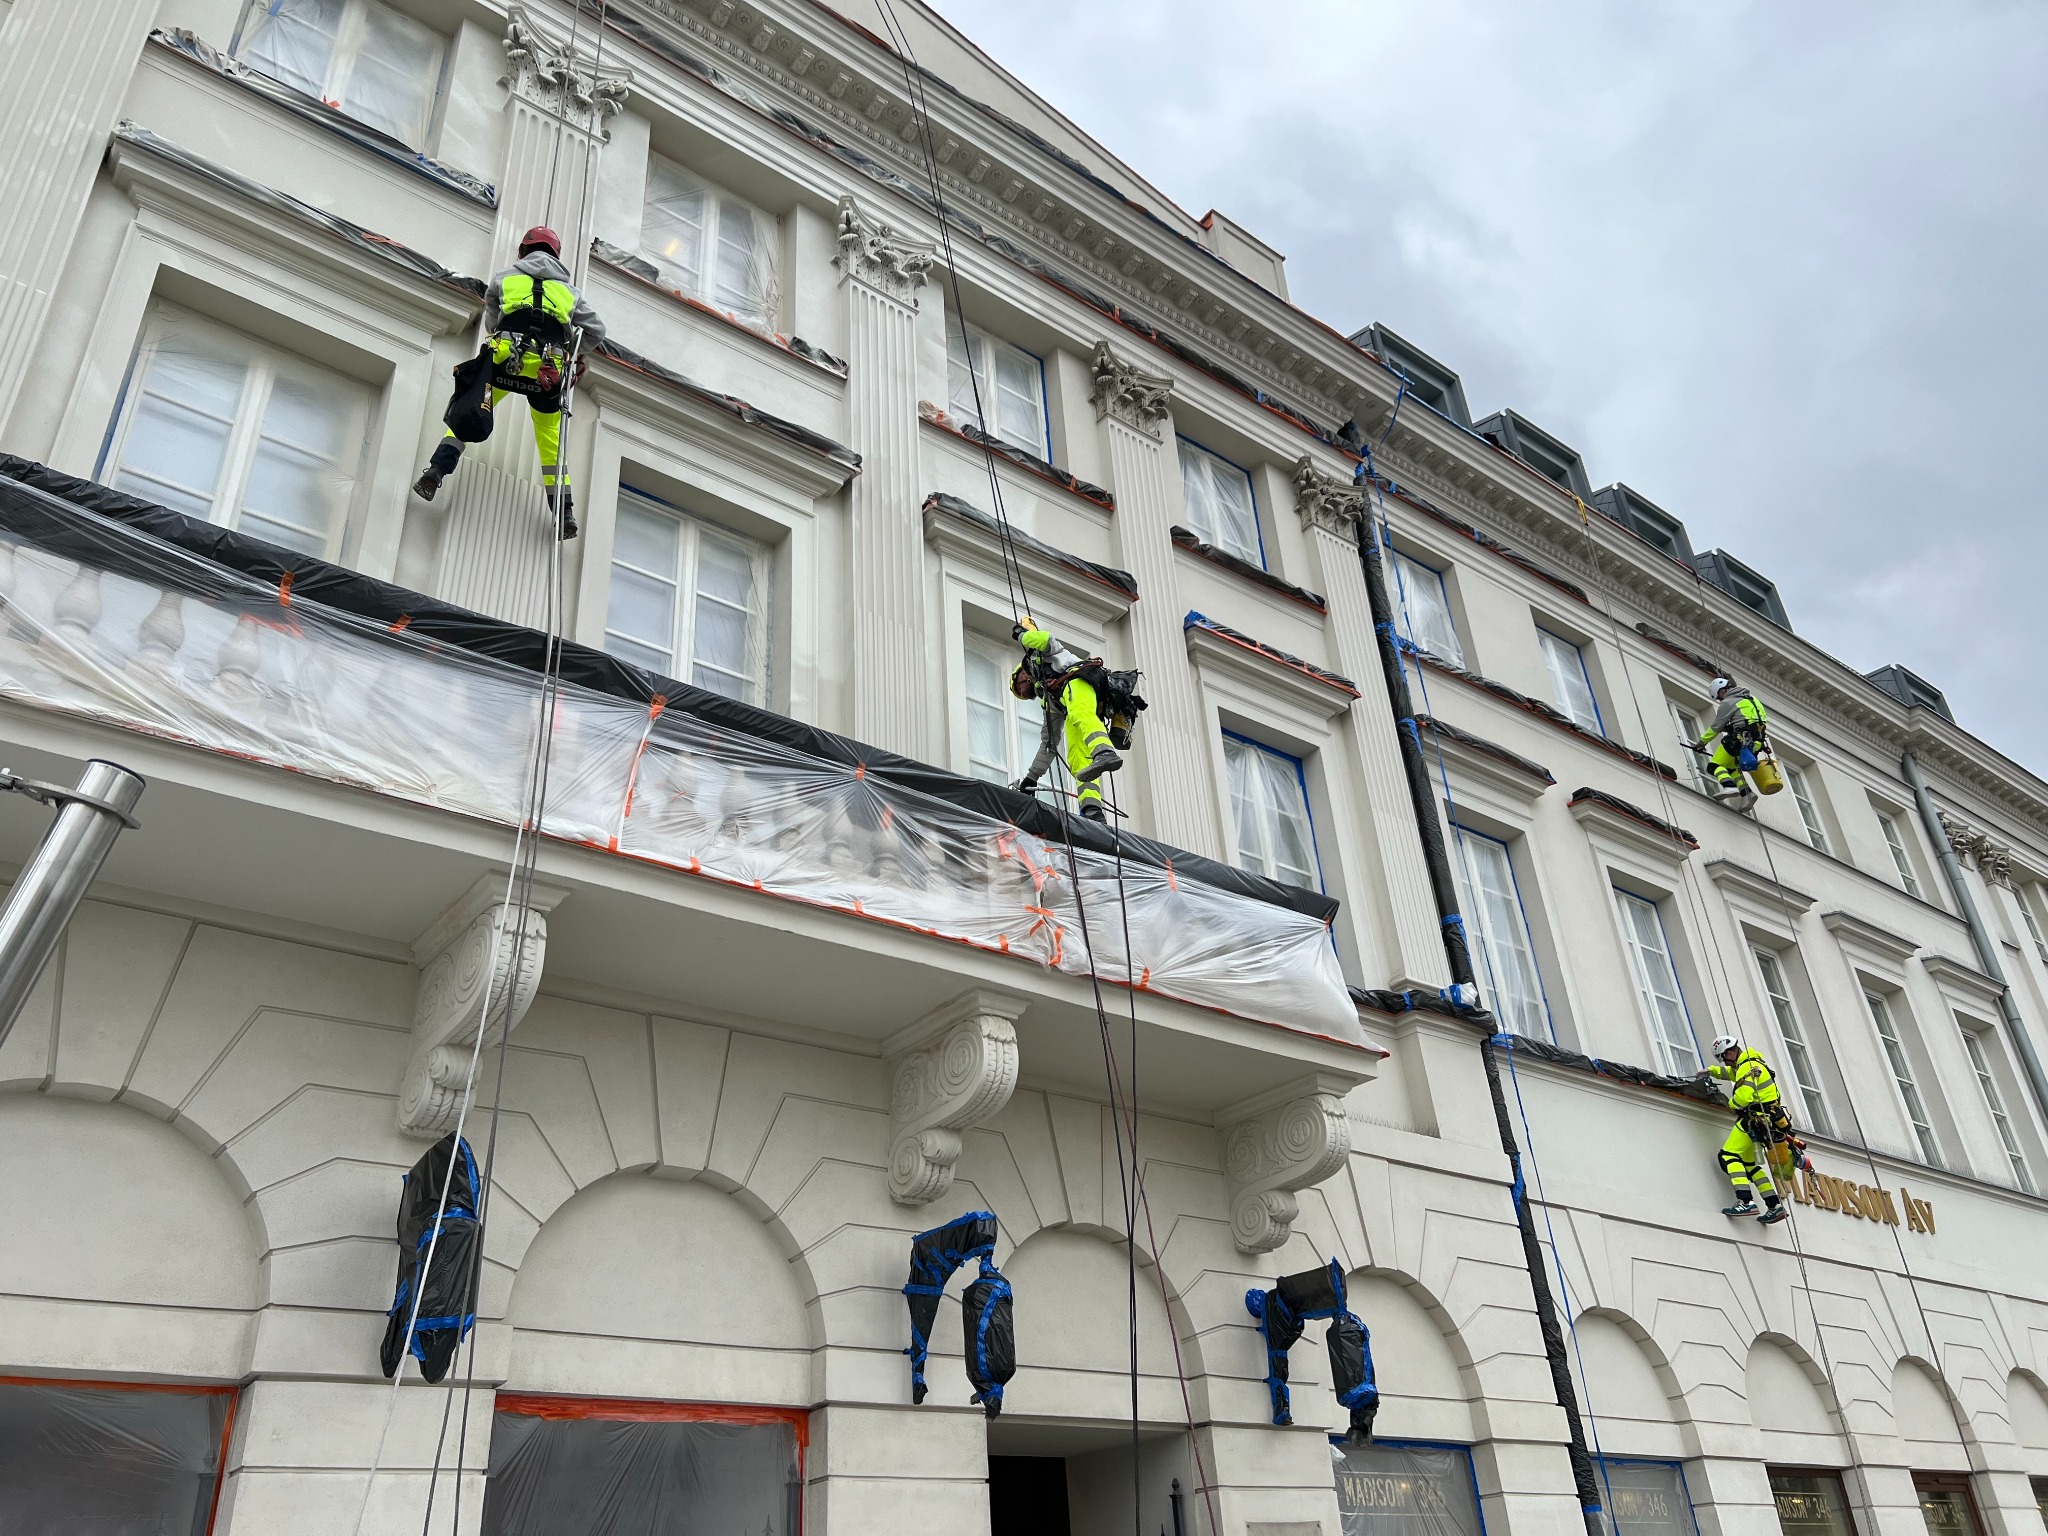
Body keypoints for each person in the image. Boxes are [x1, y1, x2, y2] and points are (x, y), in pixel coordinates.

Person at [412, 226, 607, 539]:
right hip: (547, 370)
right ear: (556, 257)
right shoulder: (571, 295)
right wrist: (571, 350)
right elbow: (596, 330)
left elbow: (493, 319)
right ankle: (564, 512)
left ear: (522, 252)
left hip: (505, 359)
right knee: (550, 439)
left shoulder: (504, 279)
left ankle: (436, 471)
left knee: (469, 411)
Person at [1011, 620, 1122, 823]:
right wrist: (1031, 778)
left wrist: (1022, 636)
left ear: (1021, 674)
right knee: (1078, 756)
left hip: (1079, 680)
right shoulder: (1050, 700)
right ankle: (1092, 810)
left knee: (1080, 713)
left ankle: (1105, 752)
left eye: (1017, 688)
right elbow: (1049, 745)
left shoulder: (1041, 657)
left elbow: (1045, 638)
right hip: (1070, 697)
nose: (1021, 693)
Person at [1700, 1034, 1791, 1224]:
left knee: (1728, 1156)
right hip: (1766, 1121)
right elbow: (1732, 1074)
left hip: (1753, 1120)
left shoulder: (1747, 1068)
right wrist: (1713, 1071)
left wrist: (1729, 1102)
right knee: (1750, 1165)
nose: (1726, 1063)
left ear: (1731, 1053)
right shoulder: (1751, 1063)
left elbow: (1743, 1098)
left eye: (1725, 1059)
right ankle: (1774, 1205)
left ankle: (1746, 1201)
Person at [1698, 676, 1770, 807]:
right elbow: (1751, 720)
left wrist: (1701, 743)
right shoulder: (1753, 699)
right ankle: (1747, 794)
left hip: (1739, 740)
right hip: (1756, 743)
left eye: (1719, 696)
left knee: (1713, 766)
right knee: (1731, 768)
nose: (1721, 700)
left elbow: (1716, 727)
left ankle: (1729, 786)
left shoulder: (1729, 701)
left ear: (1723, 691)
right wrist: (1732, 726)